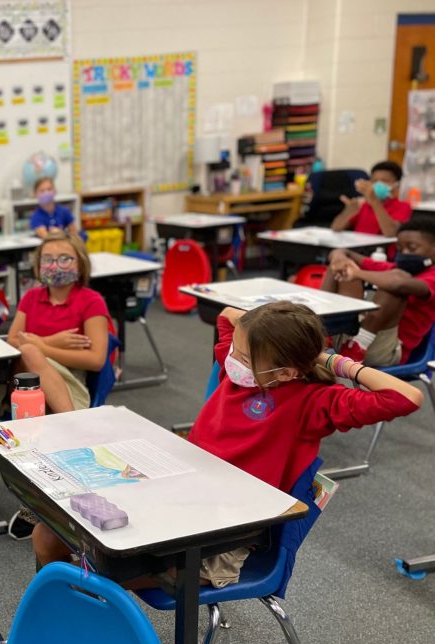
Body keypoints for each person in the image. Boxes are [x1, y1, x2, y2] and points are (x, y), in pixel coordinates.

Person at [33, 301, 422, 572]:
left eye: (244, 356)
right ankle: (62, 620)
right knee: (48, 534)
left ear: (287, 372)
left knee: (105, 561)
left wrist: (329, 360)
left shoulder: (313, 403)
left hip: (226, 529)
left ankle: (86, 634)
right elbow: (226, 317)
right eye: (235, 351)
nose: (230, 359)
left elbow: (406, 397)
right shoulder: (235, 370)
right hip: (179, 494)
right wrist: (269, 334)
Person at [6, 231, 110, 549]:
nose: (56, 265)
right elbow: (12, 340)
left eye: (65, 258)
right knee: (29, 355)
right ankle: (70, 444)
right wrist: (49, 342)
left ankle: (68, 429)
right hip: (26, 381)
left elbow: (95, 359)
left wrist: (37, 346)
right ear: (38, 266)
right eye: (48, 259)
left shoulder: (91, 300)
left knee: (31, 354)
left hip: (70, 386)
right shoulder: (30, 298)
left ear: (80, 263)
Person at [322, 214, 435, 365]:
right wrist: (339, 258)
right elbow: (343, 251)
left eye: (412, 248)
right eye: (400, 249)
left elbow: (399, 284)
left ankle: (359, 346)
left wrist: (357, 273)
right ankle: (323, 332)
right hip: (351, 336)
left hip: (387, 351)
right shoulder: (395, 268)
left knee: (396, 280)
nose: (404, 253)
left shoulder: (428, 276)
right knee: (342, 266)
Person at [330, 160, 412, 237]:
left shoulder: (403, 206)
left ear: (397, 185)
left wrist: (374, 201)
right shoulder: (363, 205)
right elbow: (336, 228)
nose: (377, 184)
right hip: (357, 248)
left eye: (384, 181)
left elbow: (391, 232)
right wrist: (349, 211)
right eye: (374, 181)